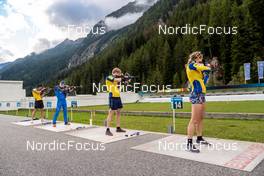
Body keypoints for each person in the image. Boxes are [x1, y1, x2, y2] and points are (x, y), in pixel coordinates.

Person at [185, 51, 212, 153]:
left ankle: (199, 138)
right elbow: (204, 67)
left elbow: (203, 83)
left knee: (200, 118)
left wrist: (206, 76)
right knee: (194, 120)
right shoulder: (191, 65)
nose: (201, 58)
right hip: (195, 94)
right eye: (198, 56)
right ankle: (189, 144)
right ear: (194, 58)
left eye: (201, 56)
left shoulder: (198, 69)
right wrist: (208, 68)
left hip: (201, 94)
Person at [105, 68, 126, 136]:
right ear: (115, 73)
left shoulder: (117, 80)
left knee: (119, 112)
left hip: (117, 95)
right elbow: (116, 79)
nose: (119, 75)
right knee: (111, 112)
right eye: (119, 74)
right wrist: (122, 78)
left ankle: (118, 127)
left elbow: (119, 86)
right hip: (112, 95)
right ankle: (107, 130)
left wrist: (125, 81)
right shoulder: (109, 77)